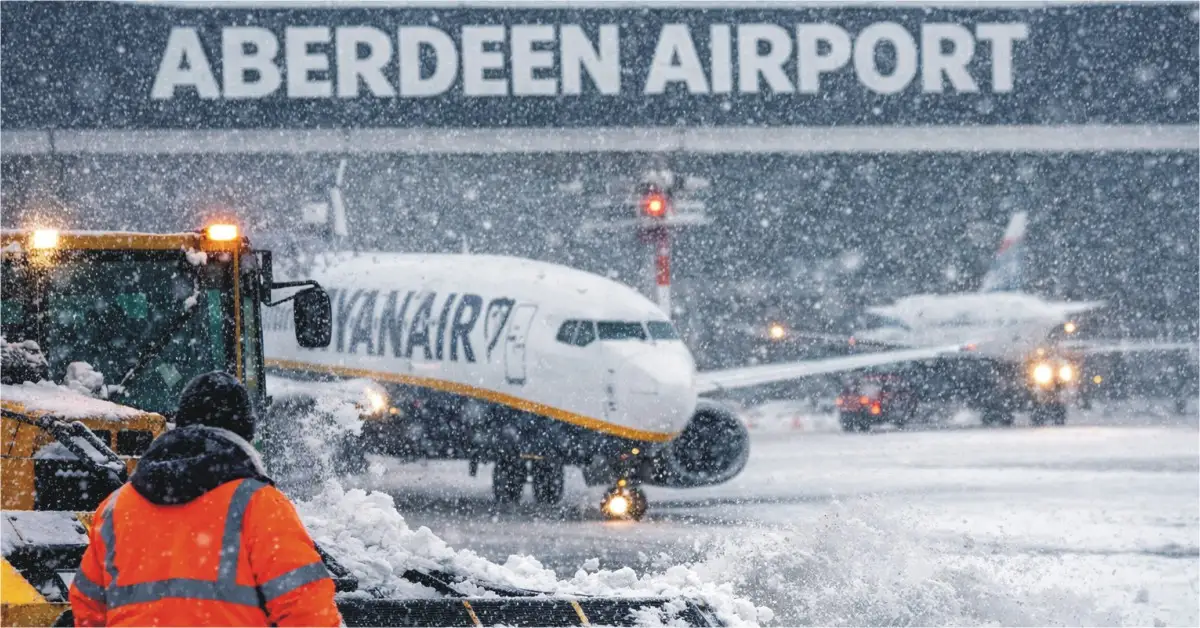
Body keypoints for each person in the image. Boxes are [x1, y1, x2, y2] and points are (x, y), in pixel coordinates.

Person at [68, 371, 342, 627]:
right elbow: (309, 612)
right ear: (246, 432)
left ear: (181, 424)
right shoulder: (259, 506)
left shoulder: (117, 507)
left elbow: (87, 607)